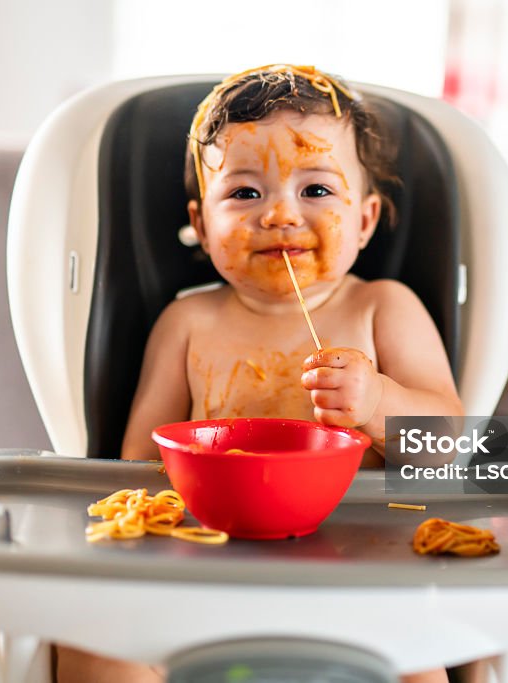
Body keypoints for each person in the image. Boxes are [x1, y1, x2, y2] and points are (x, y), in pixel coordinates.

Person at [56, 65, 461, 683]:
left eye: (317, 190)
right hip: (201, 575)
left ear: (366, 219)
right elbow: (137, 466)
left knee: (419, 671)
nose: (278, 215)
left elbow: (449, 448)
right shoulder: (185, 322)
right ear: (202, 221)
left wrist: (377, 401)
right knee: (89, 650)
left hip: (359, 579)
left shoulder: (384, 309)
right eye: (244, 193)